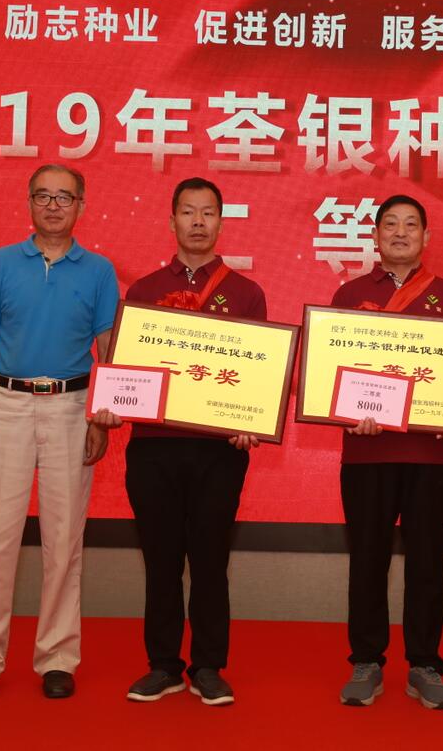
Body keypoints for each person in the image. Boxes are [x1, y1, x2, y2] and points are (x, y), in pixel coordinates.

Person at [94, 177, 266, 707]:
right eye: (188, 212)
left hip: (219, 451)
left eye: (207, 212)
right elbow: (126, 367)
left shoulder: (246, 292)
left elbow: (259, 371)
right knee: (161, 560)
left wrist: (253, 418)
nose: (198, 221)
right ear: (172, 221)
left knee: (211, 560)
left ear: (221, 223)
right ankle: (164, 665)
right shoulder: (143, 291)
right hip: (154, 446)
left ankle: (208, 665)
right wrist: (112, 404)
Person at [0, 164, 119, 700]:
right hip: (5, 406)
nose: (53, 206)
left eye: (64, 197)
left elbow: (108, 348)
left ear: (81, 206)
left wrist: (100, 415)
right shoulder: (2, 263)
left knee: (64, 540)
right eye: (43, 196)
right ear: (28, 202)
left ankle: (57, 657)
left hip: (71, 408)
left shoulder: (99, 271)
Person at [330, 195, 443, 711]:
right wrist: (348, 409)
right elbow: (332, 369)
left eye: (411, 224)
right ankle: (366, 661)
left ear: (427, 237)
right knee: (367, 560)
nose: (400, 232)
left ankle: (425, 664)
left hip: (432, 456)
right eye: (390, 223)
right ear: (374, 235)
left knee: (428, 563)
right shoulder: (348, 294)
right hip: (367, 452)